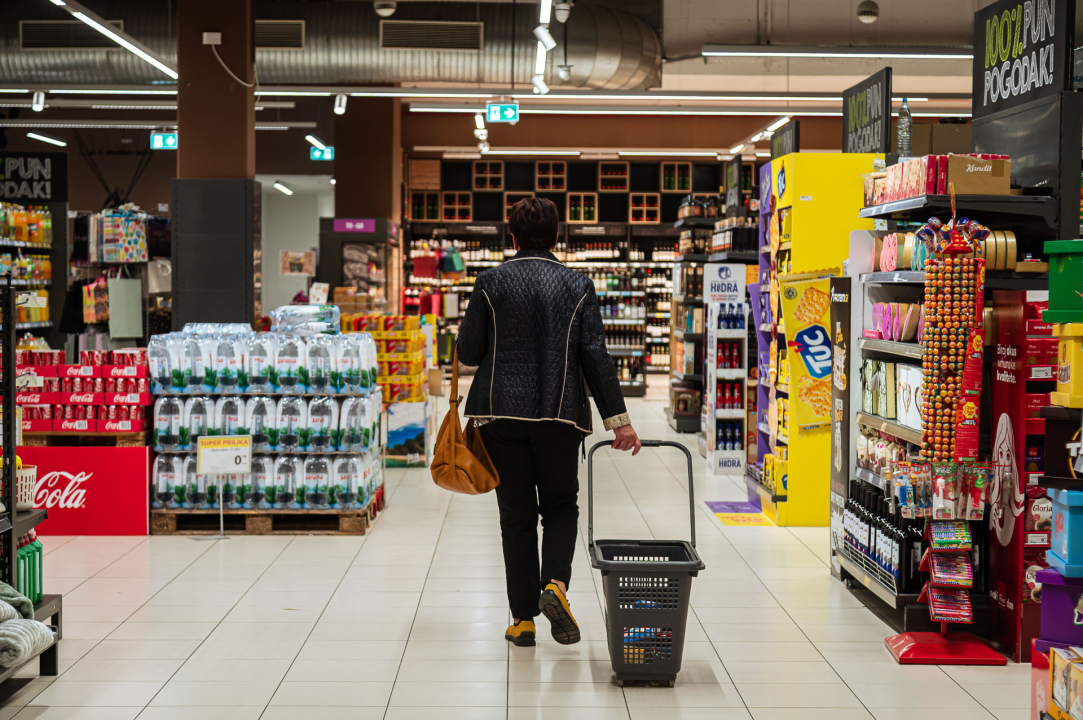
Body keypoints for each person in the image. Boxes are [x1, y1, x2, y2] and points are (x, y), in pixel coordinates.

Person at [456, 197, 642, 648]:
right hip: (560, 417)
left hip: (500, 417)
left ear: (511, 235)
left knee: (515, 519)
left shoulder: (490, 282)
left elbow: (467, 351)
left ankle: (522, 622)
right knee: (561, 507)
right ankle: (554, 585)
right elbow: (595, 356)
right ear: (557, 236)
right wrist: (619, 421)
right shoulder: (578, 285)